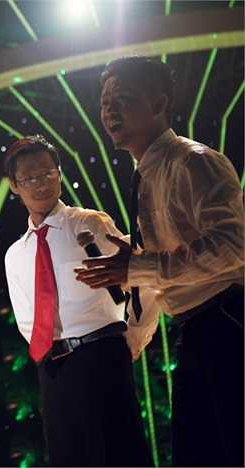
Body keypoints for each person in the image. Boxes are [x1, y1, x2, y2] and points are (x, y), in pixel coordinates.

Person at [76, 55, 244, 466]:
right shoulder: (147, 174)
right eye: (104, 103)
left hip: (228, 320)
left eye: (122, 99)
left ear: (159, 103)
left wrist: (137, 267)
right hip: (198, 328)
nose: (109, 111)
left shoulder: (193, 161)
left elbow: (234, 243)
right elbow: (165, 264)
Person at [3, 135, 152, 466]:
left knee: (118, 454)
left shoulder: (89, 223)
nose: (41, 184)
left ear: (59, 173)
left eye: (47, 173)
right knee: (68, 456)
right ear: (14, 185)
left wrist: (134, 335)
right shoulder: (16, 253)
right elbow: (27, 318)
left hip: (101, 354)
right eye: (30, 178)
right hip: (53, 368)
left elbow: (142, 278)